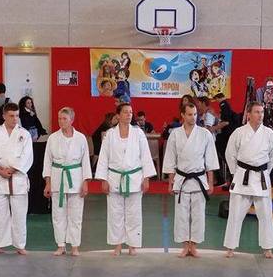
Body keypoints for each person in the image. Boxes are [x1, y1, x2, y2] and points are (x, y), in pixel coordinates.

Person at [95, 102, 156, 256]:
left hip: (134, 178)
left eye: (131, 112)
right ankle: (117, 245)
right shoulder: (110, 134)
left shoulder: (138, 133)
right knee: (115, 213)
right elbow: (103, 157)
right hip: (114, 177)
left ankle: (132, 245)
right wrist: (103, 179)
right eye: (125, 112)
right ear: (118, 115)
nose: (129, 114)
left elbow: (145, 156)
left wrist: (147, 178)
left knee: (134, 213)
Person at [223, 101, 273, 259]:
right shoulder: (239, 132)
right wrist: (236, 173)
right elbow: (230, 154)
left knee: (266, 214)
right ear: (248, 114)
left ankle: (267, 247)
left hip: (261, 177)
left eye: (262, 112)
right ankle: (230, 247)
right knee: (235, 213)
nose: (260, 115)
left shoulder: (269, 134)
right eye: (257, 112)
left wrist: (265, 171)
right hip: (243, 176)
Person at [163, 102, 219, 258]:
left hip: (199, 179)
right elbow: (170, 159)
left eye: (195, 114)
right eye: (189, 114)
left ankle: (193, 245)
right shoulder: (175, 134)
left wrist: (210, 182)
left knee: (198, 215)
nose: (193, 117)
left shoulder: (205, 134)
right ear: (182, 115)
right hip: (181, 179)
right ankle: (184, 246)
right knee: (181, 215)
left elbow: (210, 161)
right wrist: (170, 182)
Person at [0, 103, 34, 255]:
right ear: (4, 116)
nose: (15, 119)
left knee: (19, 214)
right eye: (11, 116)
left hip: (17, 177)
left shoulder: (24, 134)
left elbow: (27, 156)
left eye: (17, 116)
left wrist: (12, 169)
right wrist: (0, 170)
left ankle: (20, 244)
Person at [43, 107, 92, 257]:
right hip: (57, 177)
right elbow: (47, 162)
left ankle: (75, 246)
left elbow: (85, 162)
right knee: (58, 214)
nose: (61, 121)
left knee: (75, 215)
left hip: (75, 178)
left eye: (64, 119)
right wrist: (48, 182)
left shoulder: (81, 138)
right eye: (59, 118)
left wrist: (85, 182)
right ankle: (61, 245)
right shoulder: (53, 138)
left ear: (71, 120)